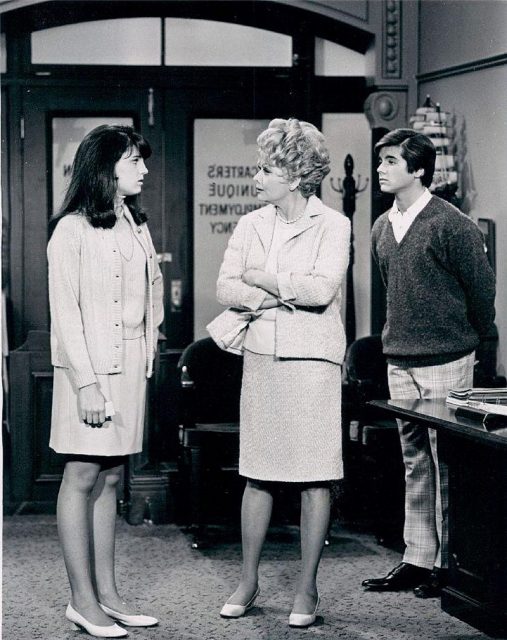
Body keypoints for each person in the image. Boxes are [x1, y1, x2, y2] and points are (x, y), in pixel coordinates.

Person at [211, 118, 350, 627]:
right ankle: (248, 581)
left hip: (313, 363)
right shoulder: (251, 223)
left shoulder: (335, 225)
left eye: (266, 168)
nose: (257, 177)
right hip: (264, 358)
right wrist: (280, 292)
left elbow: (322, 291)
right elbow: (227, 288)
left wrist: (263, 279)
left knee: (314, 476)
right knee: (259, 472)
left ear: (294, 174)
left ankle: (306, 588)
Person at [362, 128, 496, 598]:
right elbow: (391, 292)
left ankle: (449, 565)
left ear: (418, 170)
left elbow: (482, 291)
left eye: (392, 161)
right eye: (381, 161)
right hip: (399, 356)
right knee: (414, 460)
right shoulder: (381, 226)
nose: (381, 168)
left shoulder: (451, 223)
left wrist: (484, 342)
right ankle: (417, 558)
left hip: (448, 355)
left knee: (446, 461)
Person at [47, 125, 164, 637]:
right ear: (107, 166)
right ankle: (81, 600)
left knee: (113, 477)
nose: (143, 169)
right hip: (88, 373)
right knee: (81, 476)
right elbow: (65, 315)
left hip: (129, 370)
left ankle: (109, 594)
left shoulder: (135, 224)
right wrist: (87, 383)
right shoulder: (71, 229)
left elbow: (148, 298)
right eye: (135, 160)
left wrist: (147, 357)